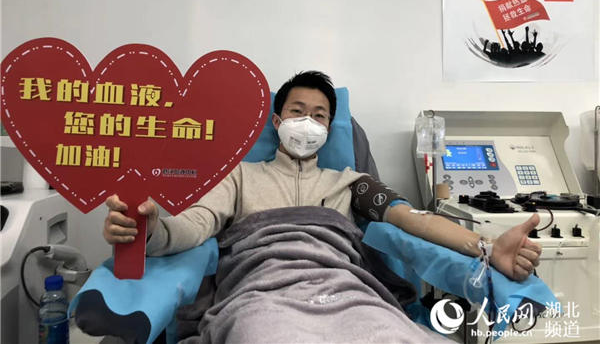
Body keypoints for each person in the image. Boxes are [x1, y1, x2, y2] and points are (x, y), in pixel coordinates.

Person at [104, 70, 541, 281]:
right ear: (277, 122)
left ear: (329, 129)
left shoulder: (351, 183)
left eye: (319, 116)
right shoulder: (239, 177)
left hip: (343, 289)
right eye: (297, 111)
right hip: (260, 289)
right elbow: (195, 225)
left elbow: (414, 220)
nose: (307, 122)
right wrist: (150, 228)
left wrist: (487, 247)